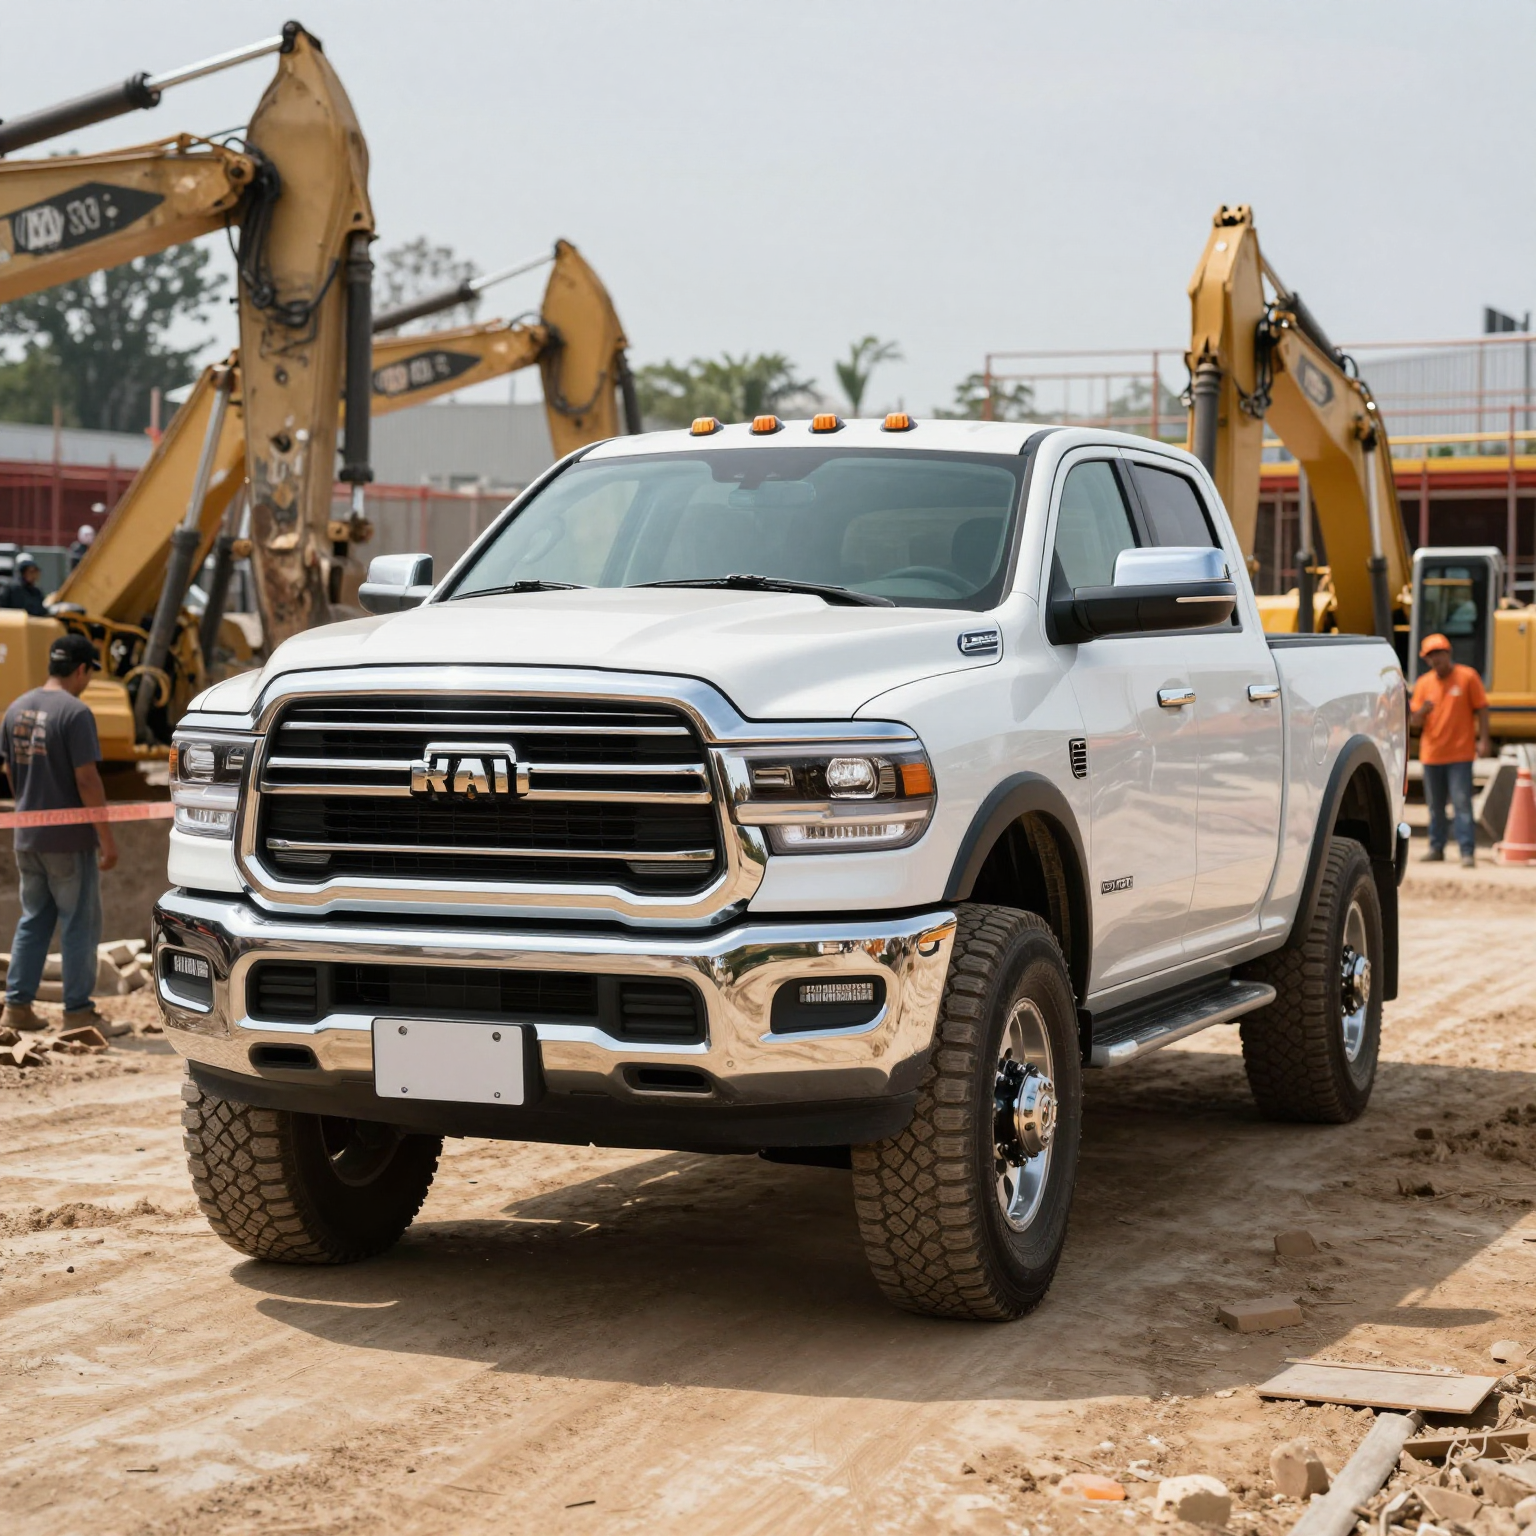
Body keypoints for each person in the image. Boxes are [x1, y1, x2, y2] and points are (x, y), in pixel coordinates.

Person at [0, 633, 119, 1034]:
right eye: (89, 673)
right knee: (79, 924)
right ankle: (78, 1012)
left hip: (27, 837)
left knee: (34, 919)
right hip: (68, 841)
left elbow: (11, 774)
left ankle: (17, 1007)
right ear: (82, 669)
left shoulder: (14, 708)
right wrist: (106, 837)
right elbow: (87, 780)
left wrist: (29, 811)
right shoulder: (75, 713)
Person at [1410, 632, 1492, 869]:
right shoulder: (1424, 684)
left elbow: (1482, 709)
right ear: (1427, 660)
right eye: (1431, 656)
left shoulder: (1467, 677)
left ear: (1449, 653)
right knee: (1435, 807)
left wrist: (1483, 739)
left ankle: (1467, 851)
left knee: (1461, 804)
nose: (1437, 659)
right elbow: (1414, 722)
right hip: (1432, 754)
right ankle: (1436, 848)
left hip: (1460, 755)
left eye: (1440, 654)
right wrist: (1422, 712)